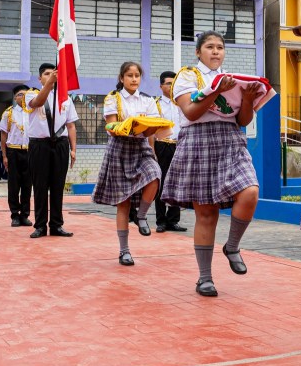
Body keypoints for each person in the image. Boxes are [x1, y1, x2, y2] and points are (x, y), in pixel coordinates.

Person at [162, 31, 261, 297]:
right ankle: (204, 278)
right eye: (209, 47)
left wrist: (248, 97)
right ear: (198, 52)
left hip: (230, 139)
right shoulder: (187, 76)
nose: (216, 51)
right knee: (206, 214)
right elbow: (191, 112)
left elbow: (243, 120)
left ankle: (232, 245)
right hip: (198, 140)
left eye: (220, 47)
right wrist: (216, 90)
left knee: (250, 191)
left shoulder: (233, 78)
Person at [92, 62, 163, 266]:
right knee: (123, 203)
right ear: (122, 78)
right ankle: (124, 251)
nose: (133, 79)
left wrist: (151, 144)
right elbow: (111, 126)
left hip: (141, 147)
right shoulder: (112, 98)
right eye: (129, 75)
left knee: (155, 175)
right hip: (120, 148)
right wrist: (129, 126)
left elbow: (152, 130)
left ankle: (141, 216)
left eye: (137, 75)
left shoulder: (148, 100)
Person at [25, 63, 77, 238]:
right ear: (40, 78)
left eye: (53, 74)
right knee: (40, 186)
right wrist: (49, 84)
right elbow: (38, 102)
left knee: (57, 186)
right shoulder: (31, 94)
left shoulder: (65, 97)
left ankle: (56, 225)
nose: (51, 76)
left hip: (61, 144)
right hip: (39, 145)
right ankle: (40, 225)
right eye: (46, 74)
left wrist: (73, 149)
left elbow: (71, 125)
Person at [153, 70, 186, 233]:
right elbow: (151, 129)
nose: (171, 86)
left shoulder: (181, 102)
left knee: (177, 182)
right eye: (168, 83)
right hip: (162, 146)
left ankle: (173, 220)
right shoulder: (155, 104)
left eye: (174, 84)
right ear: (161, 86)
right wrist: (152, 150)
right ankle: (161, 221)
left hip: (179, 145)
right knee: (161, 182)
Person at [0, 85, 32, 227]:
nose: (23, 97)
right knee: (14, 185)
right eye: (20, 95)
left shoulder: (33, 112)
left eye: (25, 94)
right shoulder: (8, 113)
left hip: (29, 152)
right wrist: (4, 156)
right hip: (13, 151)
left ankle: (25, 215)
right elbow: (3, 135)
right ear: (15, 97)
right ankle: (15, 215)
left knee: (27, 185)